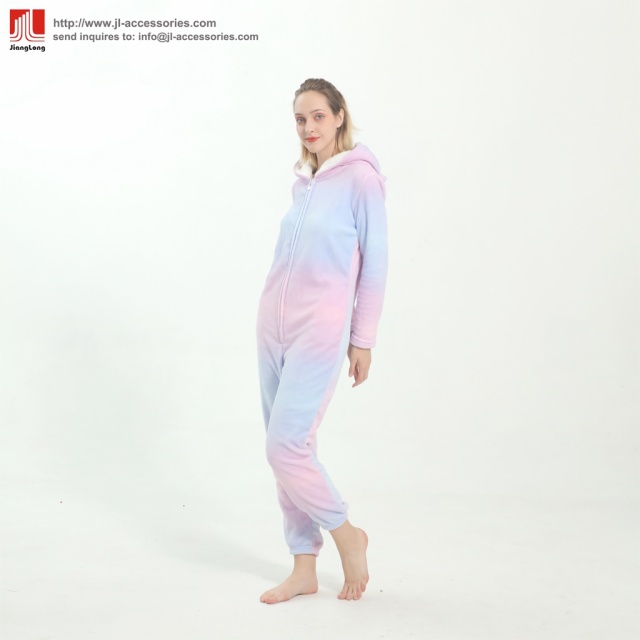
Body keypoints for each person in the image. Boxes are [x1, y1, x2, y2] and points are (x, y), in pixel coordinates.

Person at [255, 78, 388, 604]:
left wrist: (363, 339)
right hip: (273, 328)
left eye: (317, 116)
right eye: (300, 119)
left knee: (285, 447)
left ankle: (346, 534)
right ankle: (303, 566)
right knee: (286, 450)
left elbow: (375, 265)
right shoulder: (304, 185)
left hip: (321, 330)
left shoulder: (362, 181)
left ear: (338, 117)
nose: (308, 127)